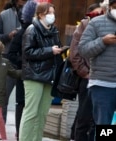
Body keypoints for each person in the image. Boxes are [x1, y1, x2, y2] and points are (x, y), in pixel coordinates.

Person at [19, 2, 64, 141]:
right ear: (40, 14)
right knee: (31, 112)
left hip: (49, 75)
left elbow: (57, 48)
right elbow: (27, 52)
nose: (52, 16)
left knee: (43, 113)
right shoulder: (31, 29)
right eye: (49, 13)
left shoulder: (53, 30)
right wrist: (50, 51)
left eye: (53, 12)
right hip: (34, 75)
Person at [78, 0, 116, 126]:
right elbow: (83, 49)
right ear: (110, 6)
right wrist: (102, 42)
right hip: (103, 84)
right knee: (104, 125)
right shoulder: (96, 22)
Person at [69, 3, 103, 141]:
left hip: (107, 80)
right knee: (84, 116)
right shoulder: (85, 25)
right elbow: (75, 52)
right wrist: (84, 72)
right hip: (88, 78)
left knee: (102, 120)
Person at [0, 0, 26, 138]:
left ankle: (21, 130)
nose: (23, 3)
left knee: (23, 100)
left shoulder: (33, 16)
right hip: (8, 59)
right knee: (4, 95)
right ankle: (1, 128)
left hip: (25, 61)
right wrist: (9, 36)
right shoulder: (4, 15)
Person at [8, 0, 37, 140]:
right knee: (21, 103)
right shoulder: (23, 31)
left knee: (32, 106)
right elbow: (11, 54)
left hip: (38, 74)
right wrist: (25, 62)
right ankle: (20, 133)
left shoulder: (46, 30)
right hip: (24, 73)